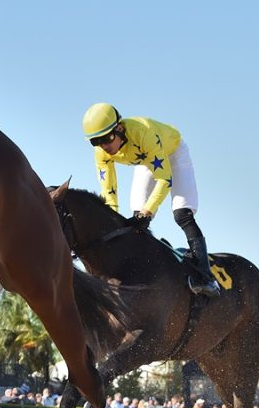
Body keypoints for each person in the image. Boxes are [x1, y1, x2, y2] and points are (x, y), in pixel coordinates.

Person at [82, 103, 220, 297]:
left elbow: (165, 179)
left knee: (182, 214)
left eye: (107, 138)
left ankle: (206, 277)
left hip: (173, 154)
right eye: (96, 141)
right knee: (136, 218)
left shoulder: (143, 134)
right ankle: (146, 270)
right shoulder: (102, 152)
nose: (104, 146)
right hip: (147, 161)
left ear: (119, 128)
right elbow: (109, 190)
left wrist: (148, 213)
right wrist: (111, 219)